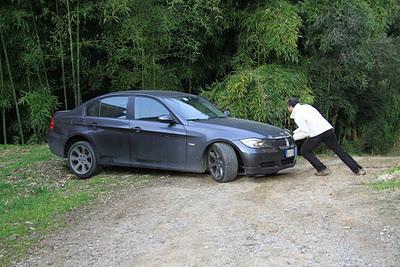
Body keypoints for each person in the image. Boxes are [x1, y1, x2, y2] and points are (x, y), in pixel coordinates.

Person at [287, 97, 366, 176]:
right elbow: (306, 125)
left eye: (288, 107)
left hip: (317, 133)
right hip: (327, 129)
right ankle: (358, 169)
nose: (288, 109)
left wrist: (293, 137)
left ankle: (322, 169)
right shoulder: (307, 107)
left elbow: (305, 132)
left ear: (290, 107)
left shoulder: (297, 115)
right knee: (339, 151)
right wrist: (294, 132)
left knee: (304, 151)